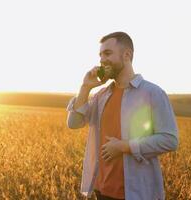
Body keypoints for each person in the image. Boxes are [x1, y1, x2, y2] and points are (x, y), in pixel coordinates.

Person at [66, 32, 179, 200]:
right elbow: (73, 123)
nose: (102, 60)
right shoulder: (101, 96)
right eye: (101, 55)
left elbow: (170, 140)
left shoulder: (152, 93)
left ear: (127, 55)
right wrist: (85, 88)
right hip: (101, 190)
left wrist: (124, 146)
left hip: (135, 193)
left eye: (108, 53)